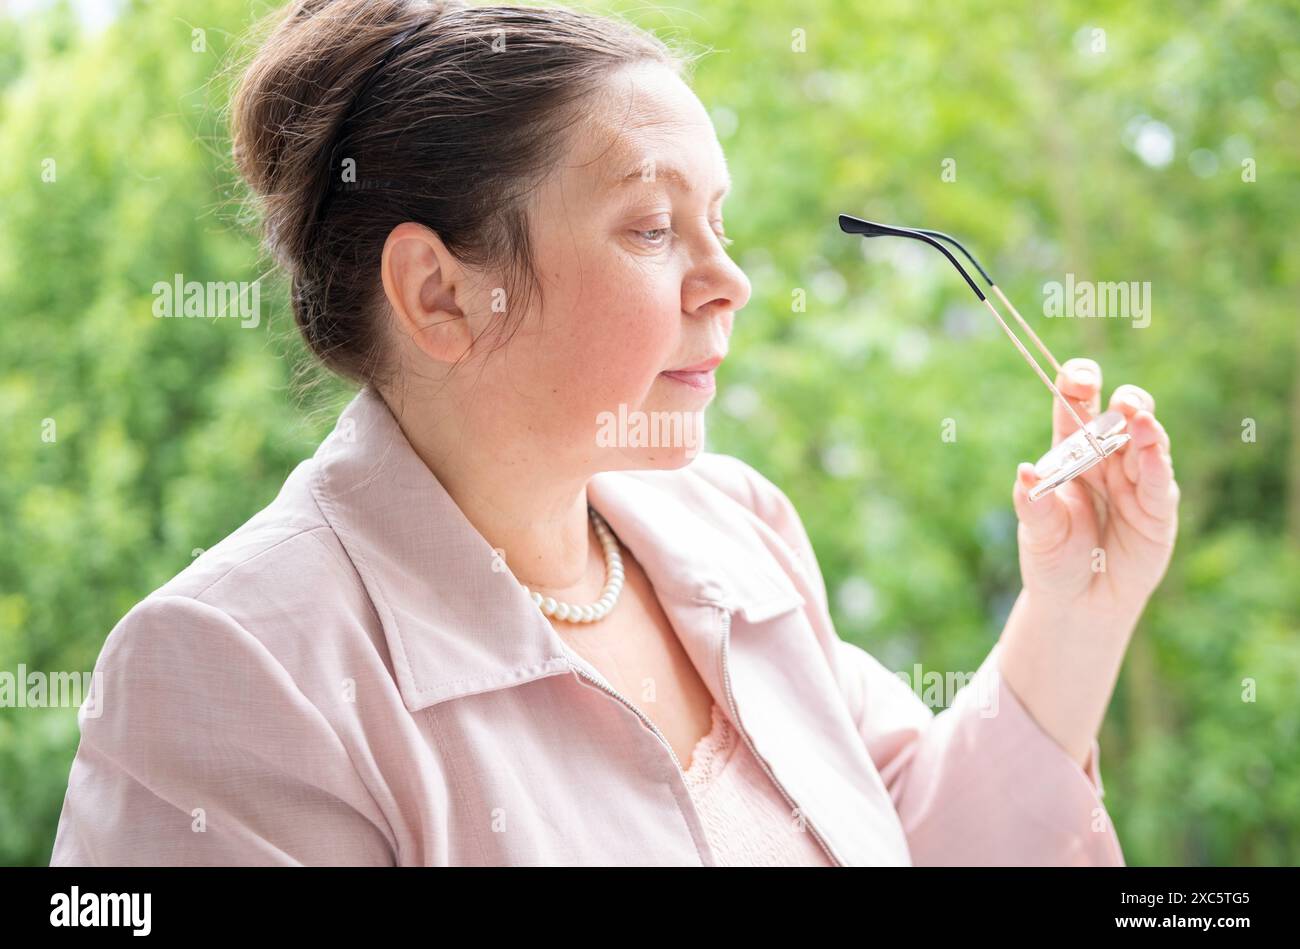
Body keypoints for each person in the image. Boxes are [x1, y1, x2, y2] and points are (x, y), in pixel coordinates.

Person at [49, 0, 1178, 866]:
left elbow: (913, 837)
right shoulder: (231, 669)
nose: (728, 280)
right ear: (440, 294)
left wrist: (1077, 603)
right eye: (650, 225)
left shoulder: (737, 529)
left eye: (717, 222)